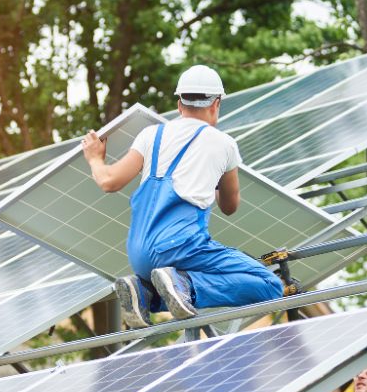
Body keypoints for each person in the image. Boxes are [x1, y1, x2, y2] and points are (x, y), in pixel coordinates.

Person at [81, 64, 282, 329]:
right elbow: (230, 206)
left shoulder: (151, 135)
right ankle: (184, 284)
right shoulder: (223, 144)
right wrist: (211, 177)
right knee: (270, 285)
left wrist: (95, 159)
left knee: (169, 282)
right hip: (181, 247)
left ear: (179, 104)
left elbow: (108, 181)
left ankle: (144, 292)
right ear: (216, 104)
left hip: (139, 253)